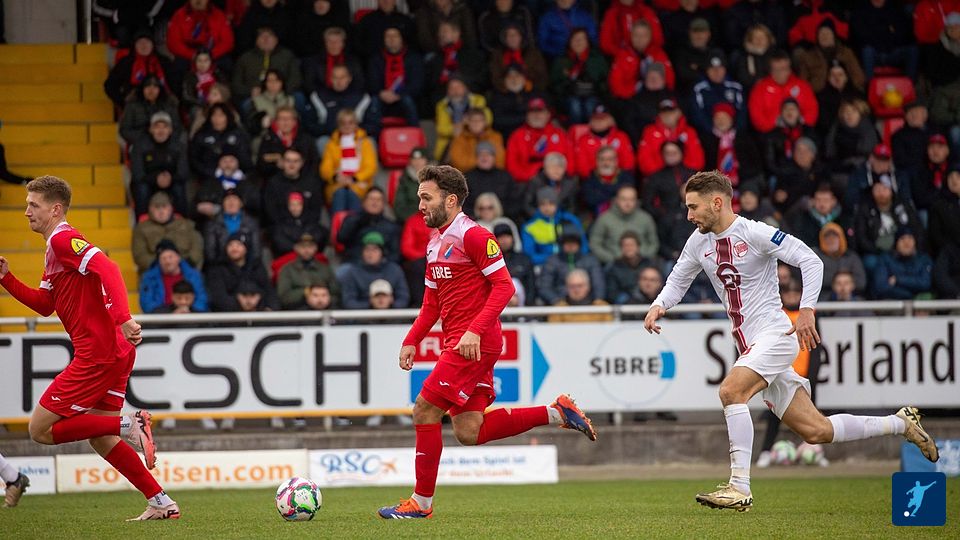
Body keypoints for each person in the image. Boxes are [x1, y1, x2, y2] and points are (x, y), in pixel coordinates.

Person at [642, 170, 939, 512]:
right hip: (751, 345)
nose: (688, 215)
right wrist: (659, 305)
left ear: (717, 203)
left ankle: (739, 486)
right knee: (816, 430)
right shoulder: (698, 241)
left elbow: (810, 260)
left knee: (731, 391)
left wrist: (807, 310)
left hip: (775, 335)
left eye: (693, 207)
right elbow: (679, 278)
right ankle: (900, 423)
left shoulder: (755, 232)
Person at [376, 165, 596, 519]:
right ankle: (558, 412)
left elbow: (505, 287)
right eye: (419, 198)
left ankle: (421, 503)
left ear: (450, 200)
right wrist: (411, 340)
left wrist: (474, 330)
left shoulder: (474, 236)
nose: (420, 205)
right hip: (462, 342)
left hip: (474, 344)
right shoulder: (434, 243)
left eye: (426, 197)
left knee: (424, 409)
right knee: (468, 431)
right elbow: (432, 304)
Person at [0, 176, 180, 520]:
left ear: (55, 209)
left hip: (98, 353)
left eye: (33, 205)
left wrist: (123, 317)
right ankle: (161, 502)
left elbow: (108, 267)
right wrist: (6, 279)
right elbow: (45, 305)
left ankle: (129, 425)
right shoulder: (54, 248)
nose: (26, 212)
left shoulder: (64, 239)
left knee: (39, 430)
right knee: (100, 435)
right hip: (114, 351)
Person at [754, 278, 825, 469]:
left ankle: (814, 450)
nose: (792, 296)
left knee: (811, 416)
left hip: (805, 374)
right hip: (782, 373)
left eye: (796, 293)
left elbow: (816, 348)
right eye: (788, 293)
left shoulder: (809, 316)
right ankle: (766, 451)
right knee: (774, 417)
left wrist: (812, 375)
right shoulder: (778, 315)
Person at [130, 112, 190, 217]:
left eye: (165, 127)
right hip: (148, 181)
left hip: (171, 181)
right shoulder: (140, 145)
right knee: (141, 189)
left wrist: (170, 178)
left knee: (179, 188)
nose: (161, 131)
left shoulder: (179, 146)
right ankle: (142, 221)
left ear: (170, 130)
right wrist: (156, 178)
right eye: (157, 127)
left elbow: (183, 172)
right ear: (150, 130)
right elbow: (137, 173)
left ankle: (182, 222)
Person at [320, 108, 379, 212]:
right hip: (338, 184)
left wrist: (355, 178)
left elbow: (371, 167)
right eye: (343, 123)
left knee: (352, 193)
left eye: (350, 123)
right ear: (338, 125)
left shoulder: (365, 143)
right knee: (340, 193)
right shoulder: (331, 144)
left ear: (356, 124)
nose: (347, 126)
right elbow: (325, 168)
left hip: (359, 184)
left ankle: (355, 221)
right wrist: (335, 177)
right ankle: (338, 221)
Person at [747, 50, 818, 134]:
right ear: (770, 71)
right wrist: (775, 124)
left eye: (783, 69)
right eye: (776, 69)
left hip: (800, 131)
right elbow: (757, 117)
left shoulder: (802, 86)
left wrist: (799, 124)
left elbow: (812, 110)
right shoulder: (760, 89)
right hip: (771, 134)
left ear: (790, 69)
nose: (780, 73)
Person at [505, 97, 574, 183]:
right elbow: (512, 167)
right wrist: (530, 176)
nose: (536, 115)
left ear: (548, 114)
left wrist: (557, 175)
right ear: (527, 115)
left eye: (540, 111)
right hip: (527, 183)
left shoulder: (560, 135)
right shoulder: (517, 136)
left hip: (558, 182)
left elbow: (571, 163)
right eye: (532, 112)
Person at [131, 192, 204, 274]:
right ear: (150, 209)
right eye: (157, 207)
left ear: (171, 208)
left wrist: (182, 265)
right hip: (154, 273)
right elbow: (139, 255)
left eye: (164, 207)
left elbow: (197, 248)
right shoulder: (141, 229)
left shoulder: (186, 225)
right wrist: (164, 265)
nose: (161, 211)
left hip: (185, 270)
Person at [206, 232, 279, 312]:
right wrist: (240, 306)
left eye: (239, 245)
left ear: (246, 248)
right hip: (229, 315)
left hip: (258, 313)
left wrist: (265, 308)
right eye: (230, 245)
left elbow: (269, 291)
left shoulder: (257, 267)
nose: (234, 248)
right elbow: (218, 296)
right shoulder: (217, 269)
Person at [549, 28, 608, 125]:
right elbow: (554, 84)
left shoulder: (597, 59)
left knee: (589, 104)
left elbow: (605, 81)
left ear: (588, 42)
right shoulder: (561, 61)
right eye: (575, 39)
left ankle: (591, 131)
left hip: (593, 95)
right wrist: (568, 86)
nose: (578, 42)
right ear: (569, 42)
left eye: (582, 39)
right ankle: (576, 132)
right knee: (575, 105)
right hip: (569, 97)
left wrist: (595, 86)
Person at [366, 27, 424, 126]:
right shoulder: (376, 59)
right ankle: (372, 135)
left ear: (401, 39)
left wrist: (399, 95)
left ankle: (415, 133)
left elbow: (416, 84)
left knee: (408, 101)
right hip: (382, 96)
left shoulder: (413, 58)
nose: (391, 39)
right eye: (388, 36)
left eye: (395, 36)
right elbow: (372, 82)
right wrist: (382, 93)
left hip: (404, 95)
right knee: (374, 102)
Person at [589, 185, 659, 264]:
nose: (627, 203)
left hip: (643, 264)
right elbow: (595, 244)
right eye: (624, 199)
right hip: (613, 264)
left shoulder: (646, 218)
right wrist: (611, 259)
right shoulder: (604, 219)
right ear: (616, 200)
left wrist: (644, 258)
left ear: (636, 201)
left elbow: (654, 243)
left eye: (631, 199)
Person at [103, 31, 174, 108]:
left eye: (147, 42)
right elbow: (110, 85)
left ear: (152, 45)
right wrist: (123, 101)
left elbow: (174, 84)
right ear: (134, 46)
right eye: (140, 42)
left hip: (161, 103)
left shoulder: (164, 62)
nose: (143, 45)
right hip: (135, 105)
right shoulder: (126, 63)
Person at [339, 231, 409, 309]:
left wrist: (389, 304)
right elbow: (348, 301)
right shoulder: (353, 272)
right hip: (363, 315)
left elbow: (403, 298)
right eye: (367, 249)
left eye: (375, 249)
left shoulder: (394, 270)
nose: (370, 253)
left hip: (392, 313)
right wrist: (371, 304)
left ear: (382, 252)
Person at [637, 99, 704, 178]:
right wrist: (663, 174)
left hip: (686, 176)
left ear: (679, 113)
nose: (667, 116)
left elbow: (698, 161)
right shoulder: (649, 131)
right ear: (659, 115)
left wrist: (683, 172)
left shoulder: (689, 132)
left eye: (671, 112)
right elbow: (644, 162)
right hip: (657, 177)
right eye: (664, 113)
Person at [520, 187, 586, 266]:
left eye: (551, 203)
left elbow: (583, 246)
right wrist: (553, 259)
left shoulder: (571, 220)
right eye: (542, 204)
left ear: (557, 204)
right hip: (543, 265)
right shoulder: (529, 227)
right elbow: (529, 256)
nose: (547, 208)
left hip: (572, 262)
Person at [139, 240, 209, 314]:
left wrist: (189, 311)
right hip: (162, 318)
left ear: (178, 257)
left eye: (170, 257)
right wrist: (170, 314)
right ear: (159, 261)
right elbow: (147, 304)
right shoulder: (149, 278)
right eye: (163, 258)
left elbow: (202, 300)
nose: (167, 261)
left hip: (192, 316)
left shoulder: (193, 275)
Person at [537, 230, 605, 306]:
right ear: (561, 245)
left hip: (588, 303)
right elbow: (544, 286)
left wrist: (598, 298)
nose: (571, 245)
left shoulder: (590, 260)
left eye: (574, 243)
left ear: (579, 245)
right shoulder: (552, 261)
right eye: (567, 243)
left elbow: (598, 283)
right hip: (560, 303)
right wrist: (555, 300)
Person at [166, 0, 234, 72]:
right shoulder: (179, 15)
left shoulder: (219, 15)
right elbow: (173, 43)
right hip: (188, 55)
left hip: (213, 53)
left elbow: (227, 42)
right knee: (178, 65)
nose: (198, 1)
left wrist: (210, 55)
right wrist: (192, 55)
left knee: (227, 64)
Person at [689, 50, 747, 135]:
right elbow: (697, 114)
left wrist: (734, 129)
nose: (716, 72)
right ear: (707, 70)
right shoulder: (699, 89)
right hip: (708, 134)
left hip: (734, 133)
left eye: (720, 68)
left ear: (725, 69)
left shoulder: (736, 87)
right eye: (712, 68)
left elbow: (742, 112)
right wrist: (712, 129)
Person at [433, 77, 491, 161]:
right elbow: (441, 129)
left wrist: (465, 125)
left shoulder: (478, 100)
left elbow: (487, 120)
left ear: (465, 87)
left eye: (458, 87)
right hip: (452, 141)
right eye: (452, 88)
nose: (455, 91)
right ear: (447, 90)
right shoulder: (442, 105)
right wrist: (457, 128)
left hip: (475, 138)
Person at [276, 233, 339, 310]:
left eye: (310, 247)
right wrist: (306, 293)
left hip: (325, 310)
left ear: (315, 248)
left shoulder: (325, 269)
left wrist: (325, 298)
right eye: (303, 247)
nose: (306, 250)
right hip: (297, 310)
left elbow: (336, 293)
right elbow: (284, 297)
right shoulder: (287, 270)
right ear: (296, 248)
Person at [572, 105, 634, 181]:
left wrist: (620, 176)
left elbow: (628, 162)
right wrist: (595, 178)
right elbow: (582, 166)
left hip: (619, 178)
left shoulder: (621, 137)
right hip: (593, 179)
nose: (599, 122)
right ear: (591, 121)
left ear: (610, 120)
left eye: (603, 119)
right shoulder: (583, 140)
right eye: (596, 119)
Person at [119, 76, 182, 146]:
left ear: (160, 89)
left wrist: (163, 138)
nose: (151, 90)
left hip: (166, 143)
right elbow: (125, 130)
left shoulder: (169, 105)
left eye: (155, 87)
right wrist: (147, 138)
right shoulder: (132, 106)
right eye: (147, 86)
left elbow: (177, 128)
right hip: (140, 143)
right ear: (142, 89)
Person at [872, 228, 933, 300]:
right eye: (902, 239)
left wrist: (897, 280)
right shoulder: (885, 259)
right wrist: (909, 293)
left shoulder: (924, 259)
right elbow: (880, 287)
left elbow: (925, 284)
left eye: (910, 239)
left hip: (917, 301)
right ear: (896, 243)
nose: (906, 243)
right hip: (892, 300)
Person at [580, 146, 636, 217]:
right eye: (602, 159)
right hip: (597, 218)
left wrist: (602, 191)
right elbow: (590, 200)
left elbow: (629, 196)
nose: (606, 163)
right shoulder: (590, 178)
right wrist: (615, 193)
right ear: (596, 161)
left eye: (610, 159)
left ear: (616, 161)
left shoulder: (626, 177)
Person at [605, 231, 658, 304]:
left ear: (638, 246)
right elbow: (612, 293)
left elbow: (659, 285)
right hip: (626, 305)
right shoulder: (614, 267)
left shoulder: (648, 263)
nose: (629, 248)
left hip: (650, 302)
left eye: (631, 245)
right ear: (621, 248)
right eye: (625, 245)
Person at [448, 108, 506, 173]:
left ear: (485, 122)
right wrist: (482, 161)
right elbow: (458, 163)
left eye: (480, 120)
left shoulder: (495, 137)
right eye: (473, 120)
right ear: (467, 122)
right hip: (467, 175)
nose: (476, 123)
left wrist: (480, 162)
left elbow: (499, 162)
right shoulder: (459, 139)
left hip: (492, 174)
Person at [523, 152, 578, 218]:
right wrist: (540, 216)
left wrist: (564, 217)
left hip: (562, 218)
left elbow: (571, 206)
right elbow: (527, 205)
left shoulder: (569, 183)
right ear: (545, 168)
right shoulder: (536, 182)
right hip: (539, 218)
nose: (556, 171)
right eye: (552, 167)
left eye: (560, 167)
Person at [547, 269, 614, 323]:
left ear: (588, 287)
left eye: (580, 286)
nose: (576, 290)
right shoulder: (558, 310)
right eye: (572, 286)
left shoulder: (601, 307)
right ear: (567, 288)